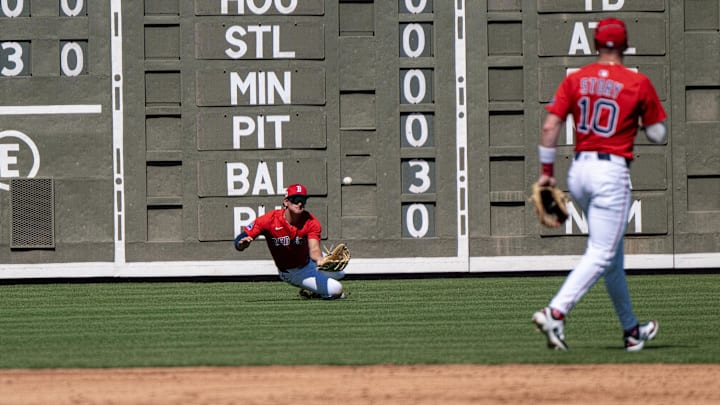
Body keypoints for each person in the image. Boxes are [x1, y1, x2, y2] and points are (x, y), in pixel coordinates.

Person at [531, 17, 666, 351]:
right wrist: (641, 121)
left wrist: (547, 172)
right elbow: (659, 134)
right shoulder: (637, 83)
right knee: (602, 253)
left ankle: (631, 331)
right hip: (610, 172)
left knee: (612, 259)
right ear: (625, 45)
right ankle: (556, 311)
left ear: (595, 45)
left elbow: (550, 127)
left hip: (579, 171)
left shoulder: (577, 79)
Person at [234, 183, 346, 299]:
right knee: (337, 290)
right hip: (293, 271)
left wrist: (320, 260)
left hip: (309, 260)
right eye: (295, 199)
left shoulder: (311, 221)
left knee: (340, 273)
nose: (299, 203)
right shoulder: (269, 220)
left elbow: (314, 249)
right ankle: (316, 290)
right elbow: (239, 240)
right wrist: (242, 244)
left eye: (303, 200)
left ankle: (315, 288)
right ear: (286, 202)